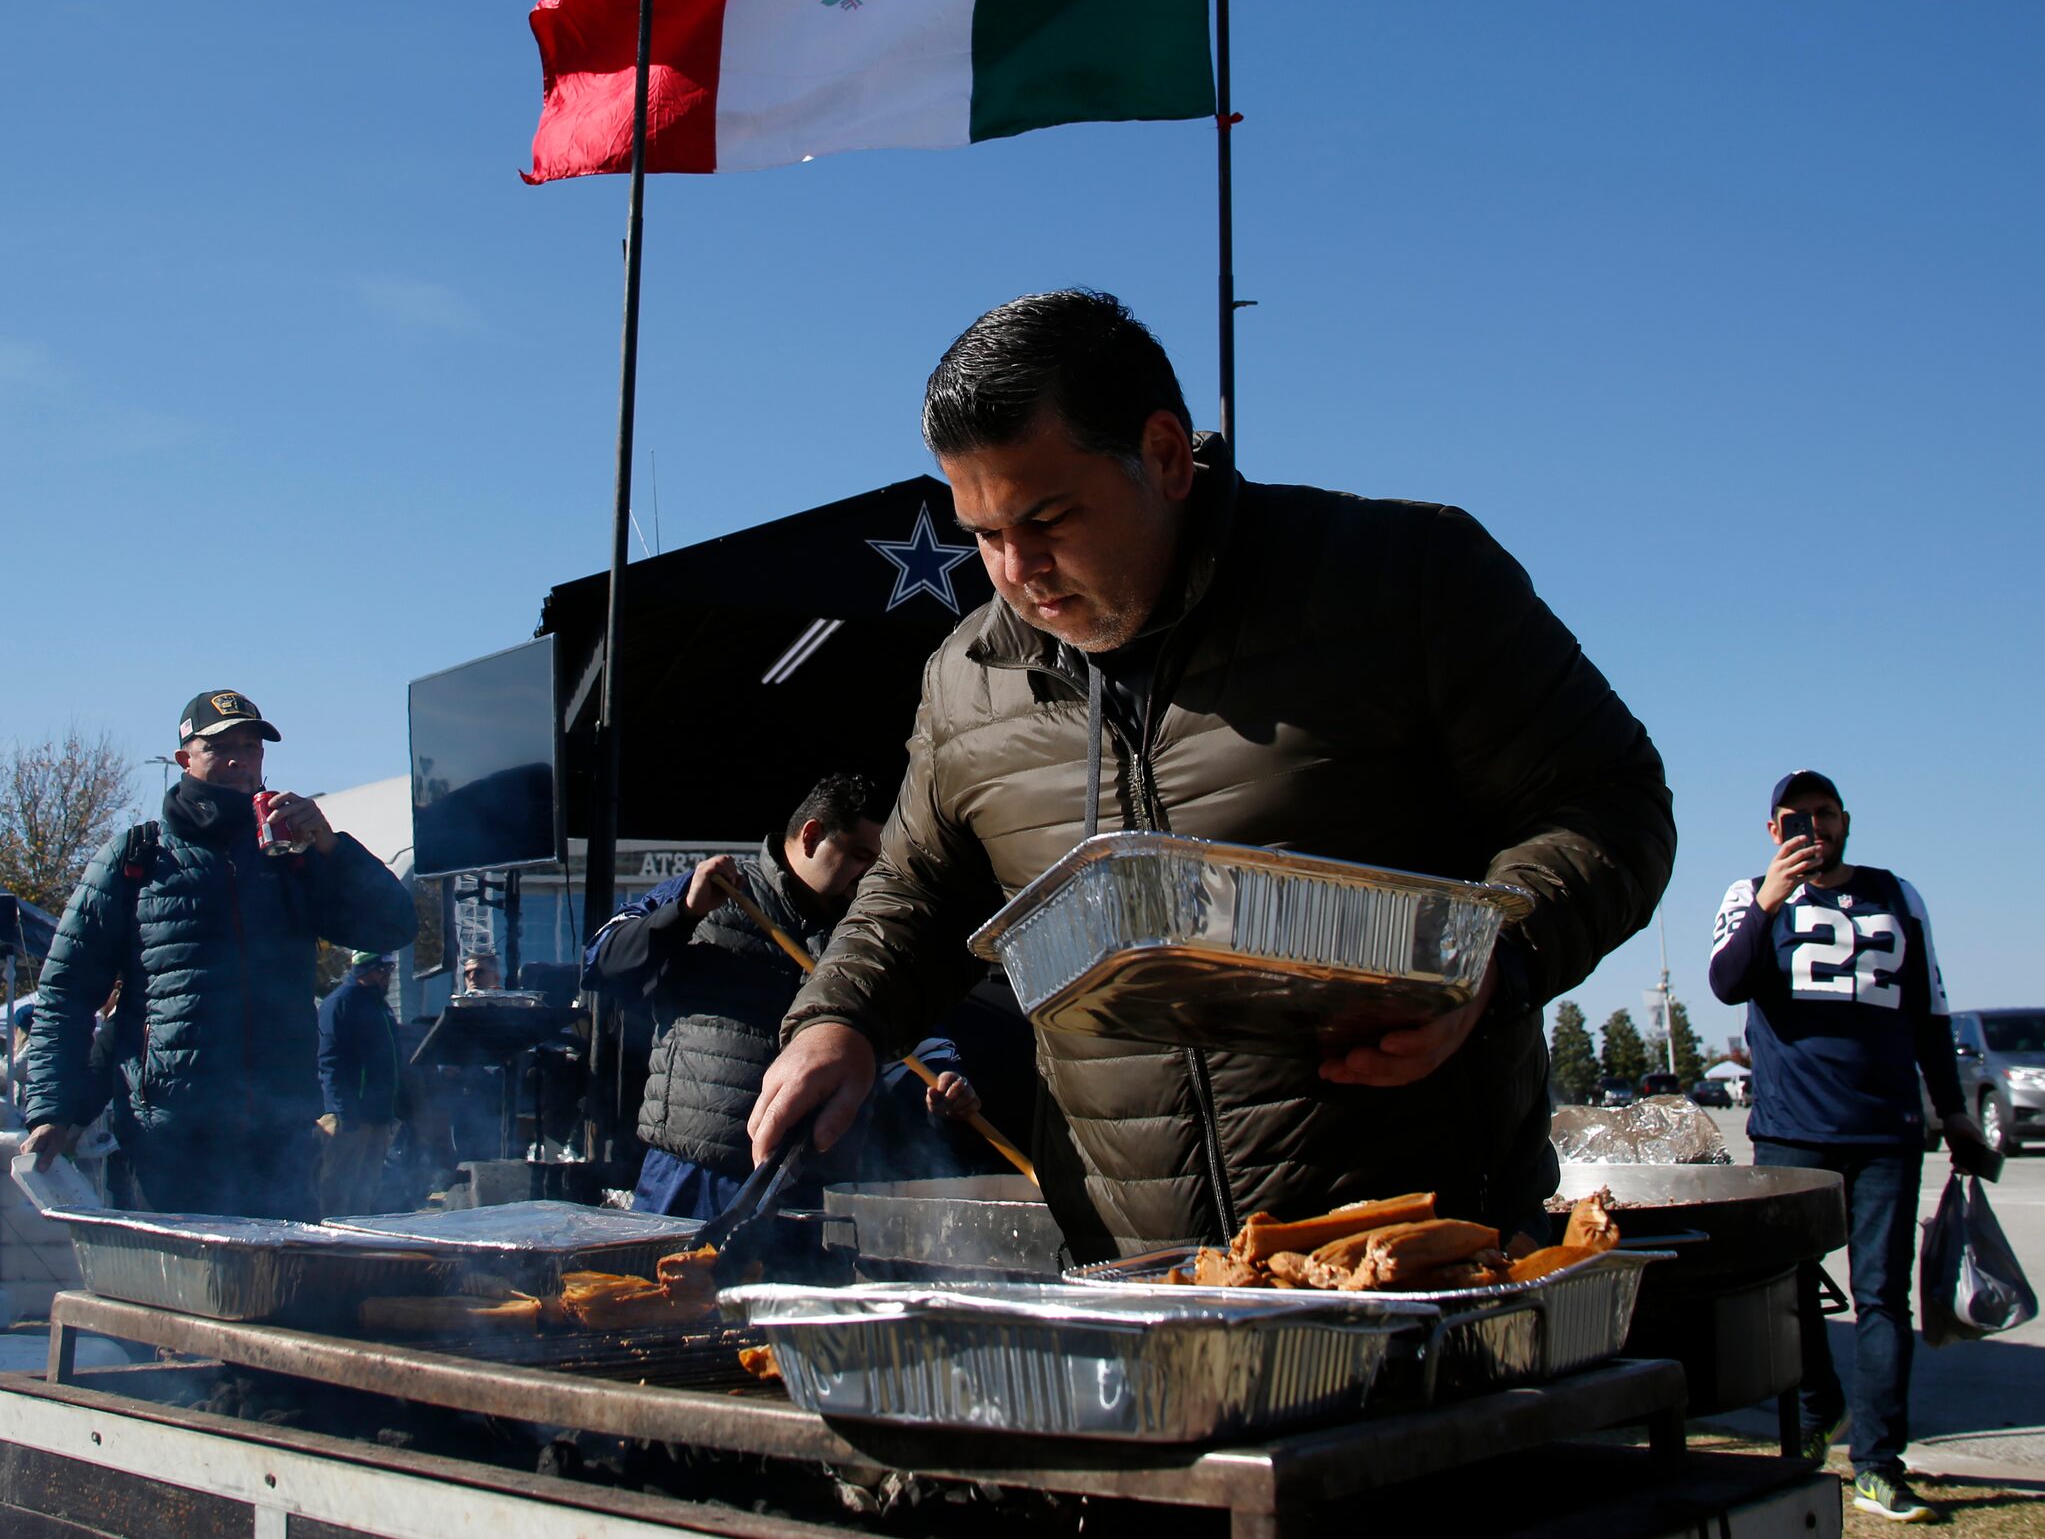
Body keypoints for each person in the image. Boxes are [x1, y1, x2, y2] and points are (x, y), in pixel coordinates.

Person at [749, 292, 1675, 1258]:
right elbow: (919, 893)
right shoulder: (964, 679)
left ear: (1162, 454)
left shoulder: (1407, 582)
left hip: (1415, 1247)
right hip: (1134, 1272)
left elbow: (1608, 801)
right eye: (982, 532)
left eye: (1048, 517)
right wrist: (841, 1019)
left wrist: (1494, 962)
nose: (1016, 569)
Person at [19, 689, 417, 1220]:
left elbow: (393, 925)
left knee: (286, 1293)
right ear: (185, 759)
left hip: (281, 1134)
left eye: (251, 747)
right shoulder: (137, 856)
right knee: (182, 1298)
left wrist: (330, 845)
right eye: (220, 746)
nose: (238, 760)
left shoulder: (294, 857)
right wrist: (51, 1110)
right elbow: (66, 992)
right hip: (170, 1138)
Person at [1708, 769, 1985, 1522]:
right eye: (1795, 816)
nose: (1813, 827)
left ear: (1845, 820)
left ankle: (1877, 1464)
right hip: (1792, 1128)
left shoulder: (1897, 895)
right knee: (1789, 1295)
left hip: (1886, 1129)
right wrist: (1768, 899)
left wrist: (1953, 1114)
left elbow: (1929, 1012)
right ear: (1773, 830)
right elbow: (1727, 984)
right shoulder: (1747, 895)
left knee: (1879, 1299)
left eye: (1824, 813)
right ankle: (1816, 1407)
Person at [589, 774, 980, 1220]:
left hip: (808, 1189)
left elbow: (920, 1039)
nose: (868, 878)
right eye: (860, 857)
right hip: (690, 1178)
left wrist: (944, 1083)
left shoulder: (871, 936)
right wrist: (684, 913)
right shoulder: (717, 890)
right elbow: (600, 962)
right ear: (812, 836)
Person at [317, 952, 402, 1218]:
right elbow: (328, 1061)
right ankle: (329, 1244)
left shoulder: (380, 1006)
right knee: (338, 1186)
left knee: (367, 1188)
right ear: (367, 969)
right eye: (383, 970)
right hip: (351, 1114)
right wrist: (341, 1111)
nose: (387, 976)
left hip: (378, 1114)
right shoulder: (341, 1003)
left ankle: (359, 1241)